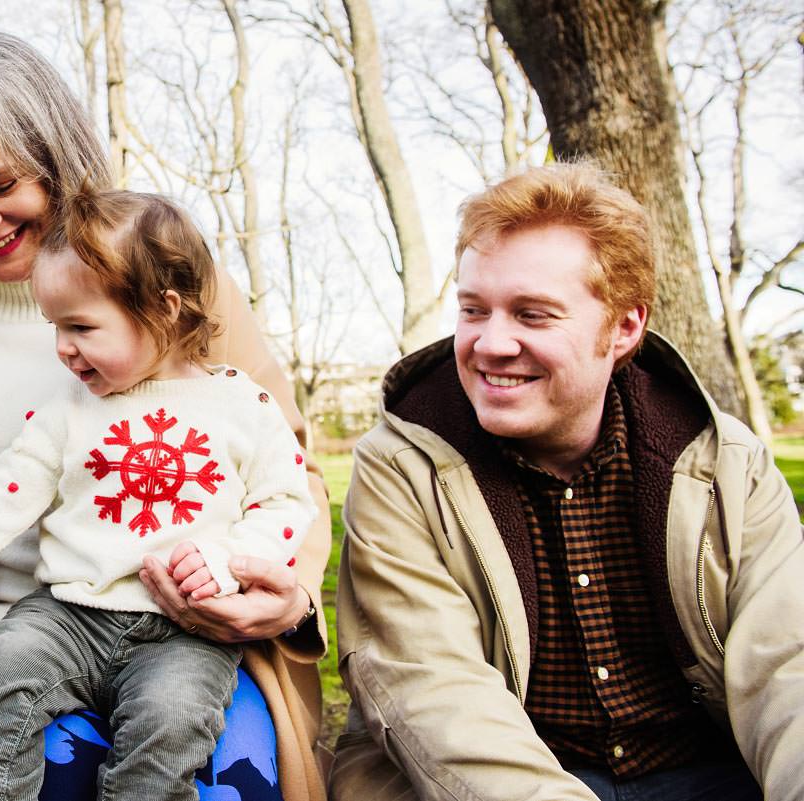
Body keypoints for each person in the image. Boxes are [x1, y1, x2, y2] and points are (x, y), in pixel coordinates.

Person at [0, 32, 331, 801]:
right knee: (50, 773)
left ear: (57, 158)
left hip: (195, 626)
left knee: (223, 775)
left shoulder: (187, 298)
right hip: (18, 627)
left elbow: (288, 481)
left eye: (2, 183)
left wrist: (276, 592)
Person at [331, 162, 802, 801]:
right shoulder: (402, 466)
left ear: (624, 328)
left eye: (533, 315)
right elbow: (432, 692)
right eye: (474, 310)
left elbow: (788, 669)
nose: (491, 344)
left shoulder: (725, 464)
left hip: (708, 769)